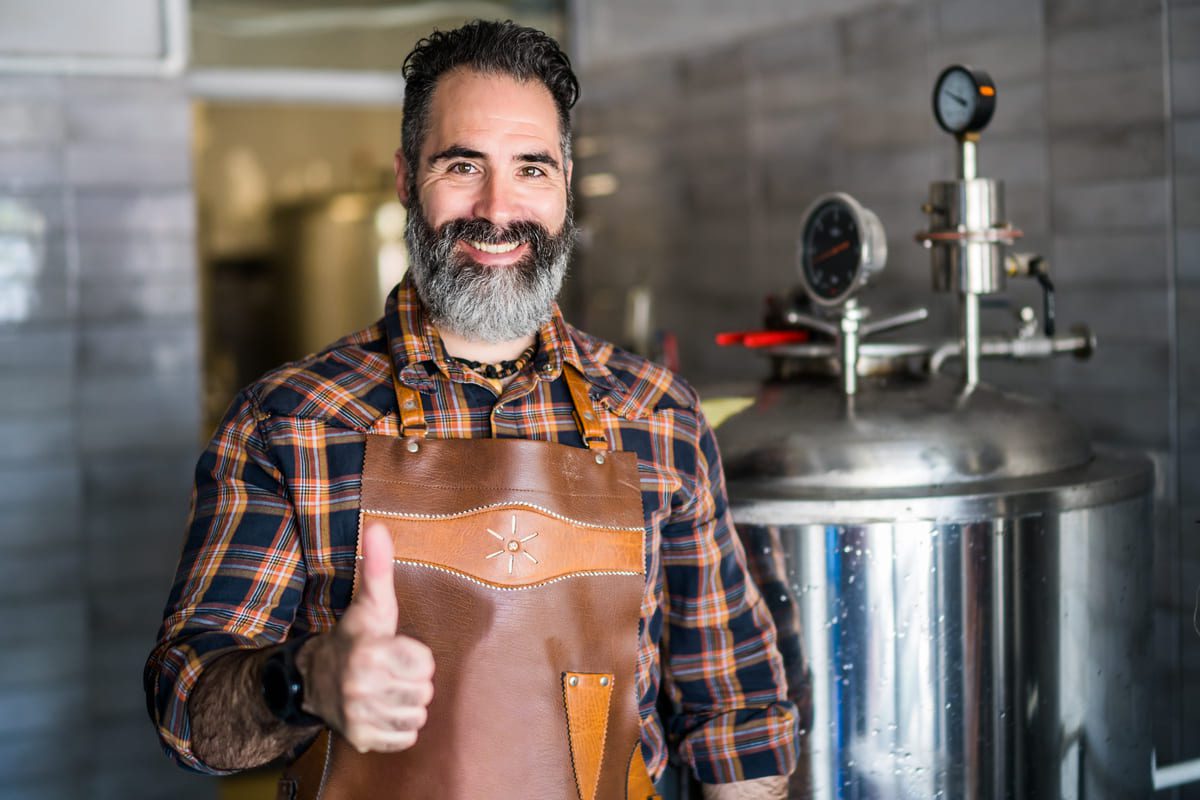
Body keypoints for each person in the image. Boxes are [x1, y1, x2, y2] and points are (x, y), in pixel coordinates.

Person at [145, 19, 799, 800]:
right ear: (404, 178)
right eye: (463, 165)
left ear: (564, 186)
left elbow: (735, 714)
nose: (499, 208)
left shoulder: (661, 418)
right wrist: (306, 679)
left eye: (531, 168)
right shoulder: (290, 422)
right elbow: (190, 714)